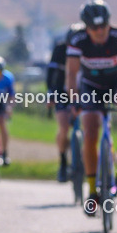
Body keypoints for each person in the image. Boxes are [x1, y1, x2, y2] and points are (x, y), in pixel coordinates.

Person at [66, 0, 117, 217]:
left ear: (109, 23)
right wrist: (74, 100)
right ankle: (92, 191)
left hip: (116, 83)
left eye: (103, 26)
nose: (99, 32)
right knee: (90, 133)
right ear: (86, 28)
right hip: (91, 86)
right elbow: (71, 74)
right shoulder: (78, 40)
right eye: (94, 28)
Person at [47, 22, 83, 181]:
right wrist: (50, 93)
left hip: (84, 93)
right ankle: (63, 161)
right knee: (63, 126)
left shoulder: (88, 50)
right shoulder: (60, 50)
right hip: (62, 91)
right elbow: (51, 73)